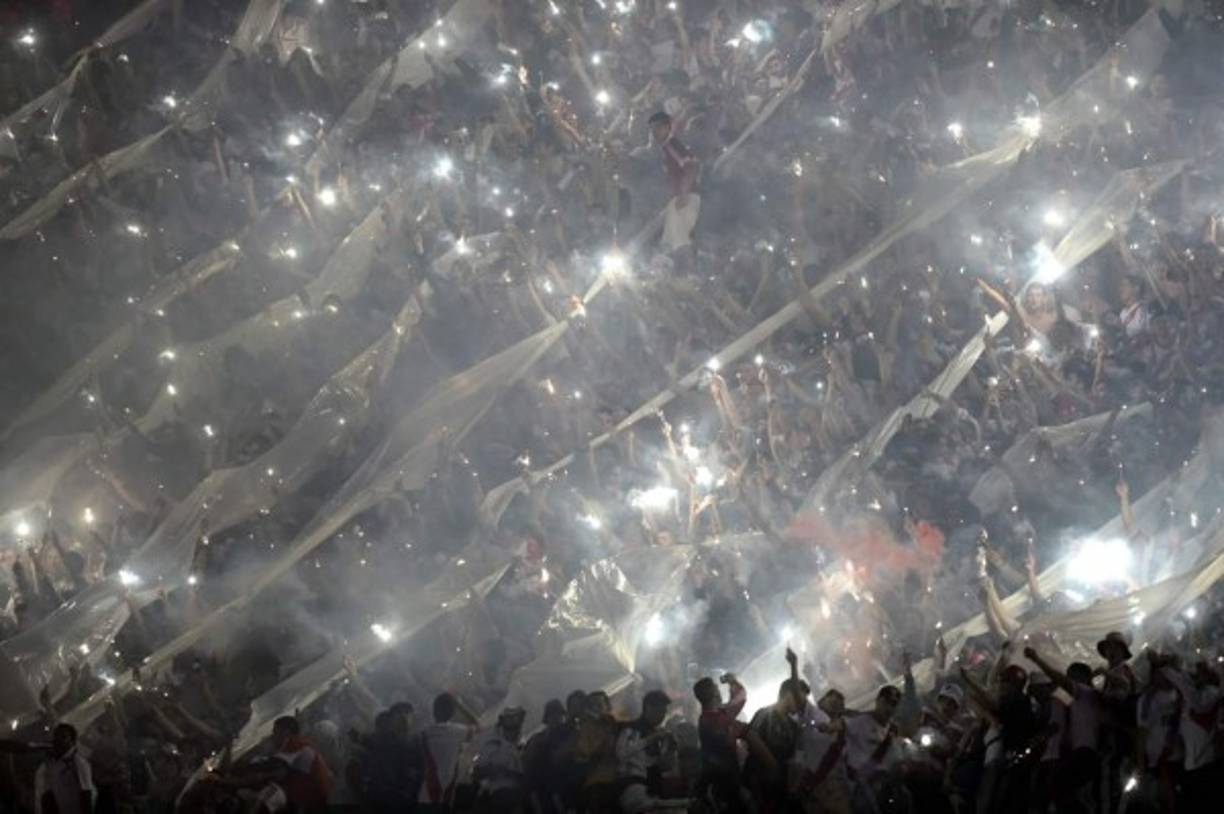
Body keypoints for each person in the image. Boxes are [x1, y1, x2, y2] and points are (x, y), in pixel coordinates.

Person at [1025, 648, 1102, 814]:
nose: (1068, 680)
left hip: (1083, 751)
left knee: (1057, 790)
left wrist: (1036, 658)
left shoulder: (1084, 692)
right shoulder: (1080, 701)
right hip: (1079, 752)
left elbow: (1059, 679)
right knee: (1060, 794)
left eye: (1071, 676)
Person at [615, 690, 684, 814]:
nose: (662, 716)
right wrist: (651, 739)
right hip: (632, 786)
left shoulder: (659, 735)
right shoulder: (631, 728)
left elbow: (664, 767)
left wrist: (671, 748)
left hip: (654, 787)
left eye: (664, 712)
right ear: (648, 708)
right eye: (660, 711)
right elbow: (622, 752)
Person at [844, 685, 906, 813]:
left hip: (887, 786)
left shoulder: (893, 730)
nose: (889, 708)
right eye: (886, 702)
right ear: (878, 701)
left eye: (893, 704)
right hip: (862, 786)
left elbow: (897, 757)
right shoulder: (859, 722)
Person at [648, 111, 701, 260]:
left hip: (686, 198)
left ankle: (688, 269)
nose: (654, 132)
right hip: (678, 199)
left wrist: (683, 193)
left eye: (658, 127)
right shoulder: (665, 149)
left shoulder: (672, 145)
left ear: (668, 127)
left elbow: (692, 166)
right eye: (652, 129)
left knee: (680, 243)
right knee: (670, 245)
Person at [417, 692, 477, 812]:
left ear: (434, 711)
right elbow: (477, 726)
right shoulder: (457, 731)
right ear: (453, 712)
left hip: (425, 794)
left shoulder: (424, 733)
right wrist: (460, 705)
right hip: (445, 795)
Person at [474, 707, 526, 813]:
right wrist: (495, 770)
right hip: (495, 795)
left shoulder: (524, 745)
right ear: (503, 720)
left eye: (518, 718)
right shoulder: (492, 743)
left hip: (518, 797)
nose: (515, 721)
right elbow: (477, 772)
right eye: (510, 717)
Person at [34, 723, 95, 814]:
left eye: (63, 737)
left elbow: (86, 794)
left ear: (72, 741)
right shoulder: (53, 762)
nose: (58, 739)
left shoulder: (79, 763)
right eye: (56, 736)